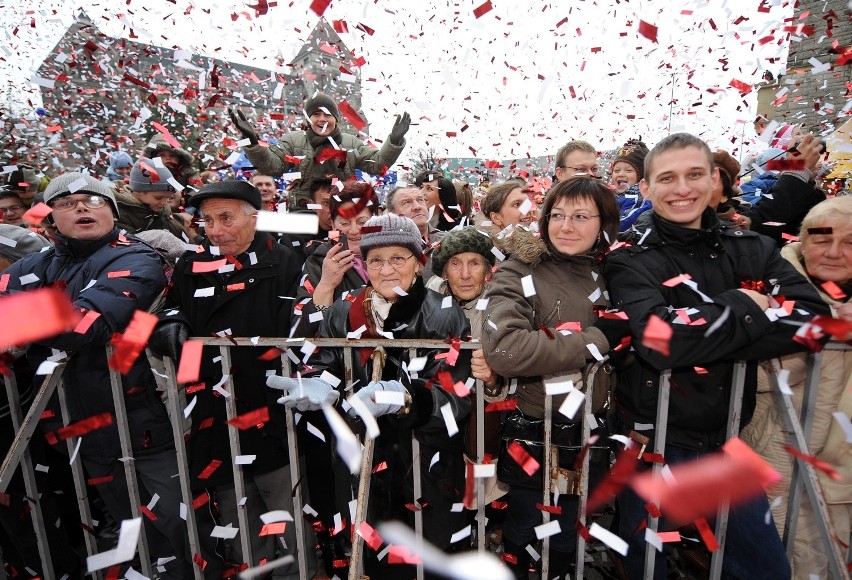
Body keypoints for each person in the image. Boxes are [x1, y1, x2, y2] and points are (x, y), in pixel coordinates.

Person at [602, 133, 830, 580]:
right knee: (644, 566)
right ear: (647, 188)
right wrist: (747, 306)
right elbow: (659, 341)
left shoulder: (752, 246)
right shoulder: (629, 255)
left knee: (766, 570)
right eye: (667, 178)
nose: (681, 188)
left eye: (693, 175)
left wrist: (705, 333)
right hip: (654, 440)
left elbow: (813, 318)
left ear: (713, 182)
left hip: (725, 440)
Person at [1, 173, 223, 579]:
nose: (82, 207)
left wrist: (16, 322)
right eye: (67, 203)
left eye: (92, 200)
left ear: (113, 211)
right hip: (81, 428)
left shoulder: (135, 257)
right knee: (131, 526)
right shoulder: (37, 264)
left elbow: (87, 324)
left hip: (141, 420)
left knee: (180, 525)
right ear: (51, 217)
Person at [272, 213, 473, 578]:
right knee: (371, 558)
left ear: (419, 261)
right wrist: (317, 383)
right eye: (376, 260)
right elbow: (323, 361)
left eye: (399, 258)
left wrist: (409, 399)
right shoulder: (344, 310)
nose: (388, 269)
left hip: (423, 465)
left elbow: (455, 397)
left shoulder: (443, 314)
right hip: (360, 461)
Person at [149, 180, 302, 575]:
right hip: (213, 415)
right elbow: (169, 309)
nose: (215, 230)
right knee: (239, 526)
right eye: (208, 220)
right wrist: (170, 325)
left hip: (271, 412)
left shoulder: (286, 261)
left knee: (289, 521)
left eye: (226, 218)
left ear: (254, 218)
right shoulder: (190, 263)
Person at [482, 176, 619, 579]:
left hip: (594, 431)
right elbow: (507, 348)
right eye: (557, 215)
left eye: (580, 216)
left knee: (567, 533)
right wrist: (596, 340)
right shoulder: (520, 268)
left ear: (603, 223)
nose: (566, 226)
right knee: (527, 527)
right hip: (539, 433)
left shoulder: (612, 268)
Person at [739, 196, 852, 579]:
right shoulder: (768, 290)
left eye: (850, 242)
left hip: (841, 471)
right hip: (781, 456)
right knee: (790, 561)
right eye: (822, 239)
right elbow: (751, 375)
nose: (835, 252)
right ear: (802, 241)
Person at [428, 227, 509, 509]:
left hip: (479, 423)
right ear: (444, 271)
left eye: (474, 263)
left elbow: (512, 378)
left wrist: (492, 380)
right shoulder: (427, 303)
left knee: (479, 499)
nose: (464, 274)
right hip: (437, 420)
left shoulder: (501, 306)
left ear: (487, 269)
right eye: (455, 264)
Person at [229, 92, 410, 206]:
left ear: (336, 119)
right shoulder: (293, 140)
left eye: (327, 114)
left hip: (340, 212)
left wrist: (394, 140)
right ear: (309, 119)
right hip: (302, 212)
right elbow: (272, 167)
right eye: (316, 114)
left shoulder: (351, 143)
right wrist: (252, 142)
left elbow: (378, 165)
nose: (322, 119)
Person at [293, 181, 380, 338]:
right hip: (339, 359)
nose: (354, 231)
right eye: (345, 223)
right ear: (332, 224)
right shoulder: (317, 262)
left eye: (362, 222)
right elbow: (300, 332)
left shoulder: (393, 257)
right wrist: (326, 285)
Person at [746, 133, 827, 246]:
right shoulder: (753, 186)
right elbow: (761, 224)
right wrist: (796, 174)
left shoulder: (797, 184)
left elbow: (806, 224)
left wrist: (807, 183)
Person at [115, 159, 188, 240]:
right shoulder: (119, 212)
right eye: (158, 198)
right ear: (139, 191)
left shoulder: (164, 209)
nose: (164, 203)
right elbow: (128, 243)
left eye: (168, 198)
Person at [383, 185, 446, 272]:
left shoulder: (447, 241)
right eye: (406, 203)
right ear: (392, 214)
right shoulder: (385, 249)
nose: (417, 207)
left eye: (420, 200)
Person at [278, 178, 334, 265]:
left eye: (338, 202)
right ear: (313, 205)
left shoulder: (353, 230)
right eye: (326, 203)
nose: (333, 209)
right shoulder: (295, 234)